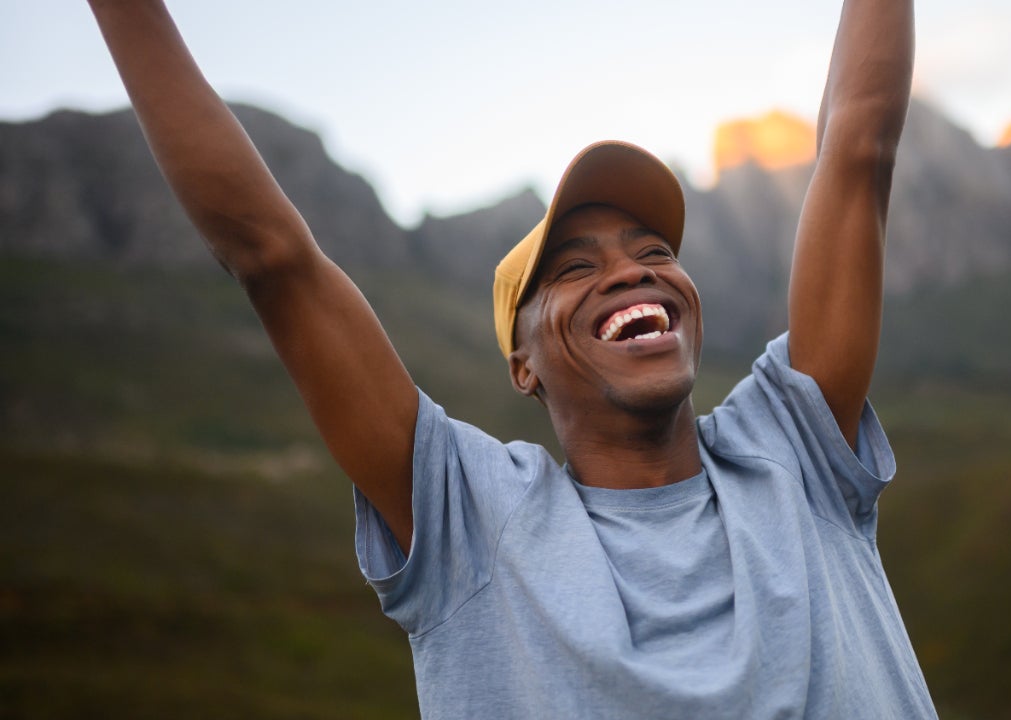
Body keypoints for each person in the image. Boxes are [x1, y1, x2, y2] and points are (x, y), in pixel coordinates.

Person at [90, 0, 934, 716]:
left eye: (652, 250)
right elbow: (274, 259)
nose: (633, 271)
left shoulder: (793, 447)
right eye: (575, 269)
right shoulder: (471, 519)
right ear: (522, 366)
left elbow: (857, 149)